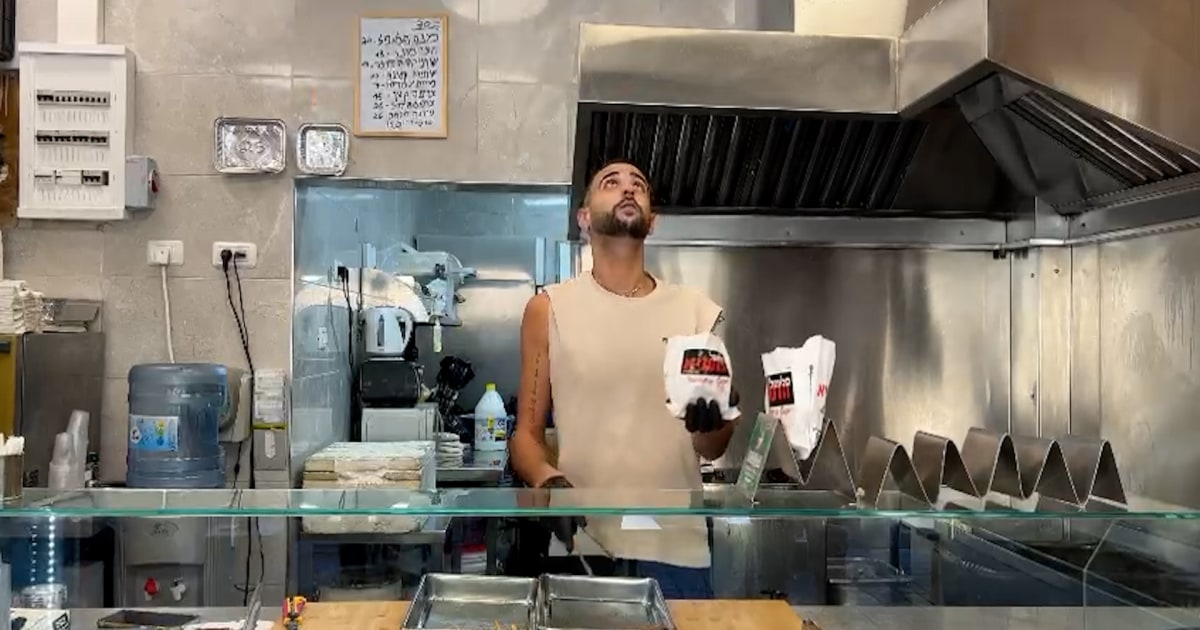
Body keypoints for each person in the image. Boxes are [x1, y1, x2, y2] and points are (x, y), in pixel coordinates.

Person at [510, 158, 738, 599]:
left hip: (676, 549)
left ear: (652, 221)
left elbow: (712, 447)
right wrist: (548, 481)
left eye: (639, 185)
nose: (628, 189)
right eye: (610, 183)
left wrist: (715, 421)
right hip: (584, 543)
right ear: (583, 218)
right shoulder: (548, 308)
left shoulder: (695, 311)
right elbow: (525, 436)